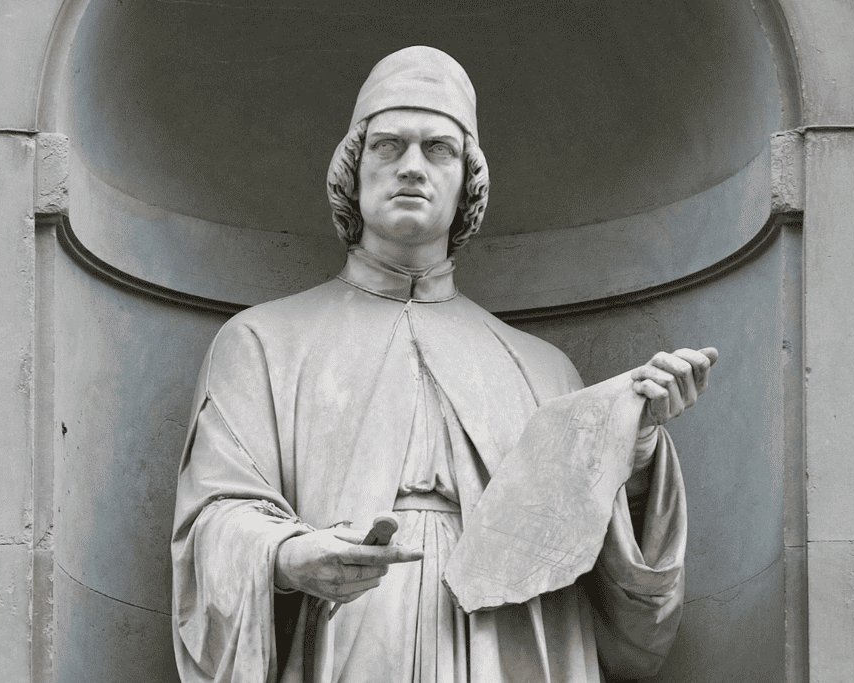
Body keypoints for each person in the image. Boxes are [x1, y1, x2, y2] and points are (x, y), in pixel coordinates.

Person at [171, 46, 716, 683]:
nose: (412, 166)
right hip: (355, 631)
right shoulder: (262, 342)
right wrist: (288, 556)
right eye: (388, 145)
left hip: (513, 645)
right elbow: (214, 520)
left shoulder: (544, 371)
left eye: (438, 149)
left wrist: (636, 449)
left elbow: (608, 589)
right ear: (353, 170)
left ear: (467, 184)